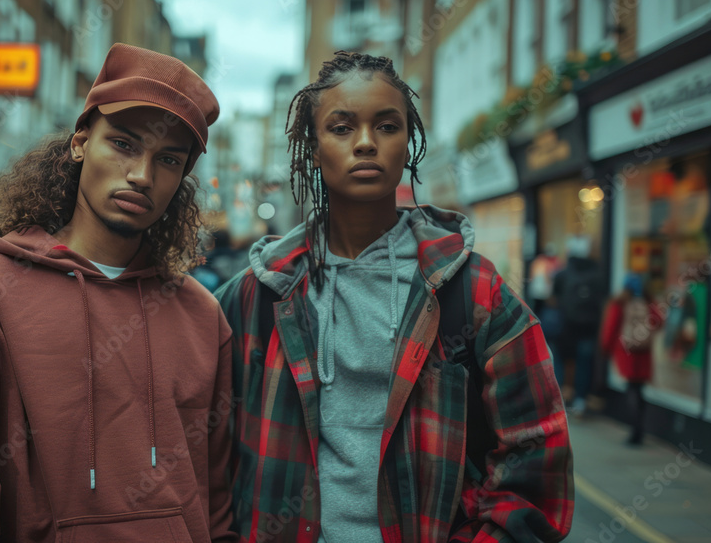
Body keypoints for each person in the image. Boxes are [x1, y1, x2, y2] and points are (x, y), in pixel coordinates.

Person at [216, 51, 573, 542]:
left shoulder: (476, 292)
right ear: (312, 147)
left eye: (386, 126)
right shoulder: (255, 296)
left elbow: (538, 461)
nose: (366, 143)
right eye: (341, 128)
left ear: (409, 142)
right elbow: (209, 459)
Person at [0, 43, 234, 542]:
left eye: (167, 159)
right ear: (81, 141)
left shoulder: (201, 316)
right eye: (123, 144)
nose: (142, 175)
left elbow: (215, 496)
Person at [599, 273, 660, 446]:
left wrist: (606, 348)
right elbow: (659, 321)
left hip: (626, 352)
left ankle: (635, 430)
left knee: (631, 388)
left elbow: (611, 327)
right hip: (644, 353)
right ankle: (639, 428)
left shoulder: (619, 303)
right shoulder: (649, 301)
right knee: (639, 389)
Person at [552, 235, 605, 415]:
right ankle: (580, 400)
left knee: (560, 360)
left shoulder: (563, 273)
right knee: (584, 363)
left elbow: (554, 297)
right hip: (589, 328)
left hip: (566, 326)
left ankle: (560, 397)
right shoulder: (597, 273)